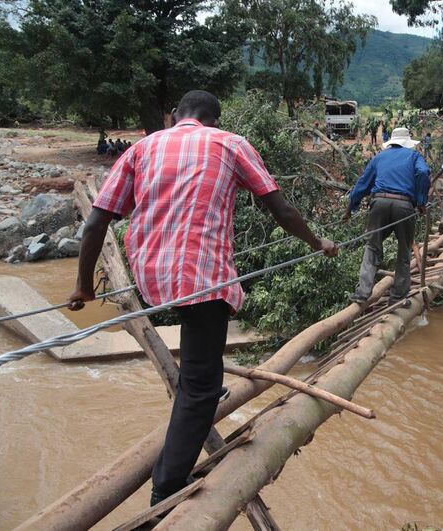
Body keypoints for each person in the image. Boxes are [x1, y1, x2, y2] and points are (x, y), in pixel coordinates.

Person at [67, 89, 337, 510]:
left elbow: (98, 220)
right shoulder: (230, 142)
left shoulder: (143, 147)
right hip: (201, 277)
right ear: (215, 119)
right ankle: (167, 486)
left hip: (152, 276)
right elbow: (280, 210)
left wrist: (84, 284)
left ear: (175, 115)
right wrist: (317, 242)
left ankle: (199, 396)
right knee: (200, 388)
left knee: (199, 364)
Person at [343, 127, 430, 306]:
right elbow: (422, 172)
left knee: (372, 246)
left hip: (379, 203)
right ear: (408, 142)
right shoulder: (414, 156)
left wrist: (350, 208)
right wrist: (421, 201)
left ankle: (362, 293)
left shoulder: (379, 157)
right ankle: (398, 297)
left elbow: (363, 183)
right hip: (404, 205)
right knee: (404, 251)